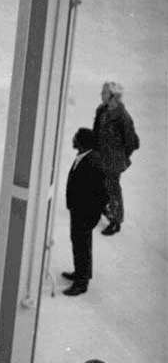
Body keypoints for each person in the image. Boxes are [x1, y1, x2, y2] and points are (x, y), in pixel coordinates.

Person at [62, 127, 109, 296]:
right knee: (80, 243)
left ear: (82, 142)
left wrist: (92, 213)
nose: (73, 139)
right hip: (79, 211)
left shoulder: (92, 162)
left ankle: (81, 283)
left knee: (81, 245)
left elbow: (103, 192)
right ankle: (81, 274)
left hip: (84, 213)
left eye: (76, 137)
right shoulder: (85, 156)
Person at [92, 82, 140, 236]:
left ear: (113, 97)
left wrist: (119, 156)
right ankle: (104, 209)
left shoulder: (123, 117)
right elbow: (96, 132)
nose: (101, 94)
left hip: (114, 159)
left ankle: (116, 221)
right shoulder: (101, 110)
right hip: (102, 156)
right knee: (99, 182)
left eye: (104, 93)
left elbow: (132, 142)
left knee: (112, 188)